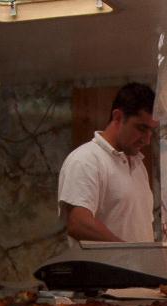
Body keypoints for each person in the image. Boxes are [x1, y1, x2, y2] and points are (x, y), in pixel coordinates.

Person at [58, 82, 158, 242]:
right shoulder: (86, 159)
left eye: (151, 130)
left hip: (137, 267)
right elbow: (78, 223)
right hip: (106, 267)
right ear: (118, 117)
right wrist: (129, 254)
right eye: (141, 128)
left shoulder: (139, 166)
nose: (147, 140)